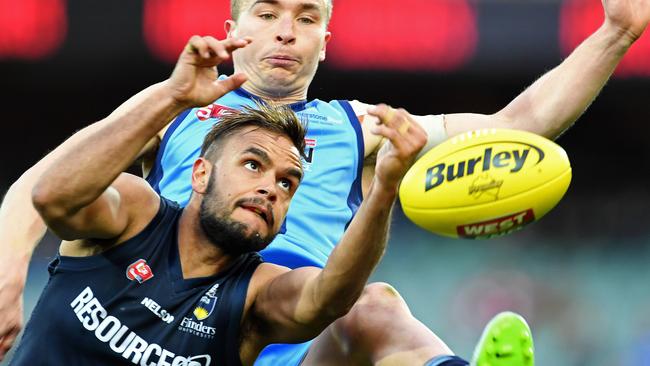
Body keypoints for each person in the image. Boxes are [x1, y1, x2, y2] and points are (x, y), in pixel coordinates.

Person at [3, 0, 647, 363]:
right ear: (234, 31)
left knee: (374, 307)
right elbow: (52, 186)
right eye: (267, 12)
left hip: (290, 332)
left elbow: (517, 128)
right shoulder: (179, 108)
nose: (286, 30)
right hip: (161, 320)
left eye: (307, 17)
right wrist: (6, 277)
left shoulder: (359, 127)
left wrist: (616, 33)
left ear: (325, 42)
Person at [9, 49, 429, 364]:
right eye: (252, 164)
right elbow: (53, 196)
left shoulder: (257, 295)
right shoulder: (135, 215)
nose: (270, 188)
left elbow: (327, 300)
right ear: (200, 174)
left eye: (287, 183)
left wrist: (385, 187)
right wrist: (171, 98)